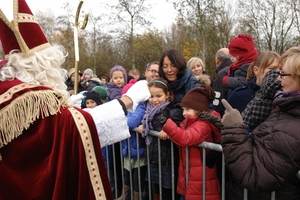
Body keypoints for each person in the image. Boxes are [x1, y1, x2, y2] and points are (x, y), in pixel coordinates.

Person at [0, 1, 151, 199]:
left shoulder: (9, 92)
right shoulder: (30, 98)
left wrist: (70, 107)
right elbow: (76, 128)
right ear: (41, 64)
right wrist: (127, 100)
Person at [220, 47, 300, 200]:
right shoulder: (285, 108)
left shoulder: (293, 123)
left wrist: (234, 127)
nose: (277, 78)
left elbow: (255, 175)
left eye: (282, 73)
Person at [160, 85, 221, 200]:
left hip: (201, 180)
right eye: (183, 109)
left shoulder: (203, 125)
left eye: (188, 109)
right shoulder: (189, 123)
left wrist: (167, 124)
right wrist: (170, 134)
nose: (183, 113)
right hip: (191, 177)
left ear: (199, 109)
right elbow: (181, 141)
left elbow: (185, 138)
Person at [138, 78, 184, 200]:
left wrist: (169, 130)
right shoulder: (147, 110)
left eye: (158, 96)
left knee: (168, 191)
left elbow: (180, 127)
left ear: (167, 95)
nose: (154, 100)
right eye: (151, 96)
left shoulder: (173, 111)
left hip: (167, 161)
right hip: (153, 158)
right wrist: (142, 125)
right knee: (156, 189)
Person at [117, 79, 147, 200]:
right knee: (126, 176)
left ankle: (136, 197)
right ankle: (125, 195)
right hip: (127, 149)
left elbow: (131, 122)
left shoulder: (141, 106)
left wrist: (121, 120)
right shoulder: (129, 110)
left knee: (138, 178)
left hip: (139, 150)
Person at [213, 48, 232, 116]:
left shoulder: (222, 73)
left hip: (224, 115)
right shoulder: (235, 69)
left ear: (217, 60)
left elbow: (217, 99)